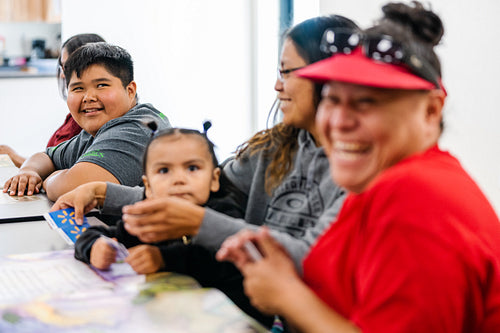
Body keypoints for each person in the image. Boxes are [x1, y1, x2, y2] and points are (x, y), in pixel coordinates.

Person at [51, 15, 355, 328]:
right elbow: (197, 190)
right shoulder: (274, 148)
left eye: (287, 73)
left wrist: (197, 223)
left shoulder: (356, 171)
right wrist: (103, 193)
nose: (277, 86)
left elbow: (311, 257)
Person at [216, 2, 500, 332]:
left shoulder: (415, 195)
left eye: (367, 102)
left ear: (431, 112)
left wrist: (287, 295)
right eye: (333, 99)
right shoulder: (377, 185)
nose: (339, 122)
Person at [3, 42, 171, 201]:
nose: (88, 97)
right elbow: (47, 156)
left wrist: (48, 178)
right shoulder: (97, 129)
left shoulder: (137, 129)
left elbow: (73, 188)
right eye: (78, 88)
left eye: (101, 85)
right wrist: (28, 171)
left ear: (130, 90)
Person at [73, 126, 222, 274]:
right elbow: (98, 234)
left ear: (214, 179)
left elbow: (222, 262)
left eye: (192, 168)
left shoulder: (224, 216)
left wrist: (163, 258)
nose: (179, 179)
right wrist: (94, 246)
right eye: (164, 170)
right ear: (148, 187)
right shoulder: (149, 218)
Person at [0, 33, 105, 168]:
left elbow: (68, 170)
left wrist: (16, 158)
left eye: (68, 67)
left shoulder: (89, 120)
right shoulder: (74, 116)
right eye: (63, 67)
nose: (63, 74)